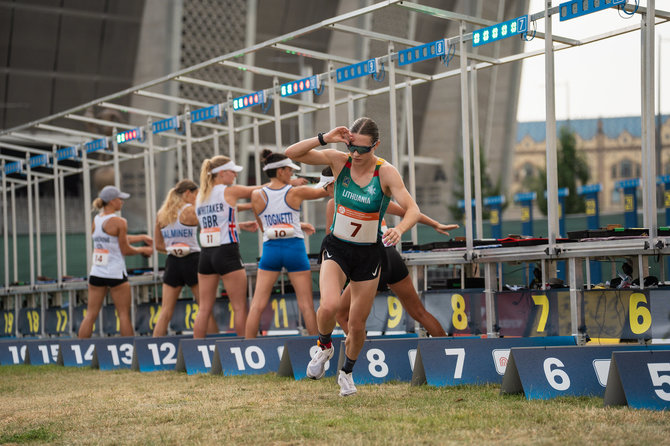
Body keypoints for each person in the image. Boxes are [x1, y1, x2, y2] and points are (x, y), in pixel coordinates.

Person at [285, 117, 420, 396]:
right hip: (337, 247)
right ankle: (324, 346)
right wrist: (326, 137)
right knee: (329, 305)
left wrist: (400, 230)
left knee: (357, 324)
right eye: (352, 148)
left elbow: (412, 209)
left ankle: (346, 372)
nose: (356, 155)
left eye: (362, 149)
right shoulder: (339, 160)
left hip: (369, 254)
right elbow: (292, 153)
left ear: (376, 146)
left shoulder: (386, 173)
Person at [316, 167, 457, 337]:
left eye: (326, 188)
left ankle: (361, 355)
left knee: (342, 315)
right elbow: (411, 212)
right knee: (419, 312)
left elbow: (334, 244)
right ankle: (445, 348)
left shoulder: (334, 203)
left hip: (371, 258)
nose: (326, 193)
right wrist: (435, 224)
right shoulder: (371, 196)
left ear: (334, 184)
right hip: (391, 255)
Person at [245, 150, 329, 338]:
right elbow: (326, 190)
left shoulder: (256, 195)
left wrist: (297, 223)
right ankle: (318, 350)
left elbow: (265, 227)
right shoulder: (295, 192)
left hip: (271, 250)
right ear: (281, 171)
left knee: (257, 304)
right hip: (294, 249)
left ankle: (247, 345)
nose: (292, 174)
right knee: (306, 305)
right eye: (289, 170)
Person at [193, 155, 259, 338]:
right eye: (233, 172)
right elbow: (261, 190)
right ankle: (244, 349)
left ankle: (195, 353)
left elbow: (220, 217)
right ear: (222, 173)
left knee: (204, 308)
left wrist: (240, 225)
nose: (235, 176)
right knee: (238, 306)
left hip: (206, 254)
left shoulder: (200, 195)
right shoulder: (229, 191)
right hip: (226, 251)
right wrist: (291, 184)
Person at [78, 185, 153, 338]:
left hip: (97, 272)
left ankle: (79, 351)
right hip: (115, 273)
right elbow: (125, 249)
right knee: (124, 315)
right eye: (120, 199)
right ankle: (129, 351)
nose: (122, 202)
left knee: (90, 315)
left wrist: (142, 237)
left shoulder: (96, 220)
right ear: (112, 201)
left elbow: (115, 239)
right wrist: (143, 250)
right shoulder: (120, 221)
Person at [152, 179, 219, 337]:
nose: (197, 198)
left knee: (165, 312)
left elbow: (158, 246)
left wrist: (173, 248)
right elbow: (213, 225)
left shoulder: (161, 214)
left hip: (172, 262)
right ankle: (217, 348)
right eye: (196, 194)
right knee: (204, 308)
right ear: (187, 193)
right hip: (193, 260)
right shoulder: (191, 210)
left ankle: (152, 349)